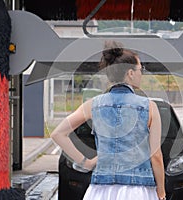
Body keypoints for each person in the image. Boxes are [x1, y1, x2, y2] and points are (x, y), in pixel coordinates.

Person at [51, 40, 166, 200]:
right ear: (130, 73)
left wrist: (87, 163)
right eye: (141, 69)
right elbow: (156, 156)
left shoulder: (93, 105)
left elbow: (58, 134)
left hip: (100, 190)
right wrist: (161, 191)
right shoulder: (149, 107)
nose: (142, 74)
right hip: (137, 190)